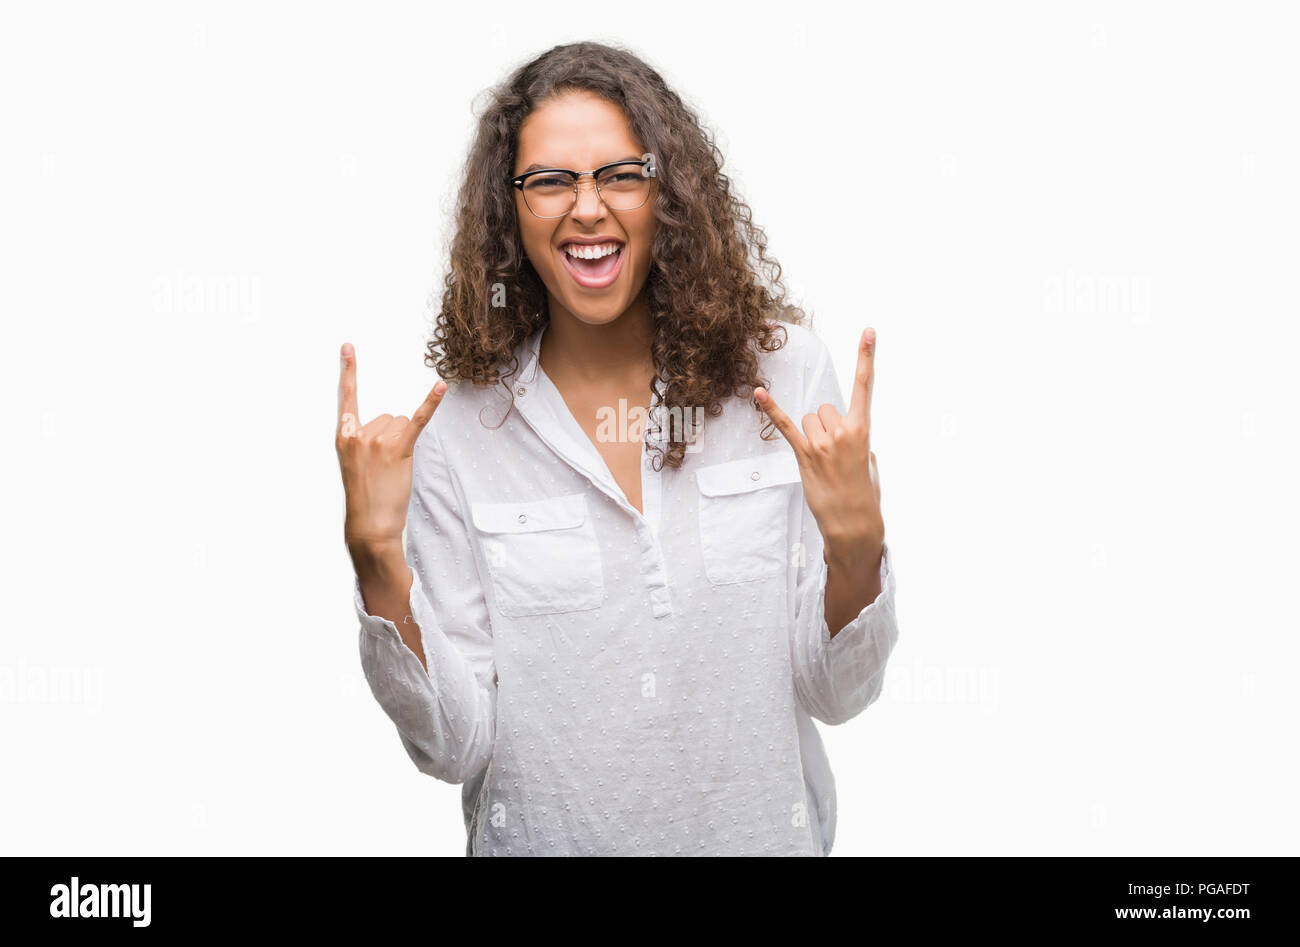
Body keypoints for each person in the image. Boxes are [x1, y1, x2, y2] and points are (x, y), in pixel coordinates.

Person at [334, 41, 898, 856]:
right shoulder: (453, 427)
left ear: (667, 192)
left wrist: (856, 546)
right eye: (551, 180)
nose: (587, 207)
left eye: (620, 174)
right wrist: (378, 561)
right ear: (510, 210)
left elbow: (837, 691)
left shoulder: (783, 374)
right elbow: (456, 745)